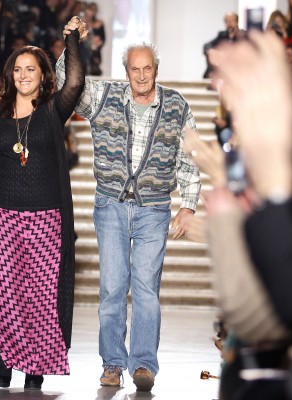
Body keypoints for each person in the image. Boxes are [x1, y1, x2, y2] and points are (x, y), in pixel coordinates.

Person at [56, 37, 201, 390]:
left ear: (156, 70)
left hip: (154, 208)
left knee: (146, 289)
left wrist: (188, 205)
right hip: (111, 206)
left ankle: (144, 365)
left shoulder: (177, 105)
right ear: (125, 71)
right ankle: (112, 364)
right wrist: (70, 42)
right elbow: (65, 79)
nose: (140, 75)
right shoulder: (105, 96)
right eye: (134, 68)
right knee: (112, 288)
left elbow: (188, 158)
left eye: (146, 68)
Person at [0, 17, 86, 390]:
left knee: (41, 296)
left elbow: (77, 82)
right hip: (1, 215)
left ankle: (35, 365)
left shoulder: (52, 111)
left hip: (47, 217)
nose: (23, 75)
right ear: (10, 75)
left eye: (30, 69)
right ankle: (3, 364)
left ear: (43, 74)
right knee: (4, 294)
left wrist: (71, 40)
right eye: (17, 69)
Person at [203, 12, 245, 79]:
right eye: (227, 22)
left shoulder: (243, 36)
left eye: (231, 21)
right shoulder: (222, 35)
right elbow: (207, 45)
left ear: (237, 22)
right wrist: (211, 51)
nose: (229, 24)